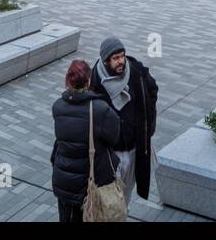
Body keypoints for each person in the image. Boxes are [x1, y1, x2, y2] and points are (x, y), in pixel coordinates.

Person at [51, 58, 122, 222]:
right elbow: (114, 138)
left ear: (68, 80)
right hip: (90, 183)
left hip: (63, 180)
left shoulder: (57, 107)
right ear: (89, 80)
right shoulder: (100, 110)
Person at [90, 38, 159, 207]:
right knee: (112, 197)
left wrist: (148, 124)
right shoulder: (96, 81)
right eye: (116, 58)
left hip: (135, 148)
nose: (121, 61)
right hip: (112, 153)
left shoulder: (136, 71)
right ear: (106, 61)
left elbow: (153, 90)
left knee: (127, 193)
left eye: (122, 56)